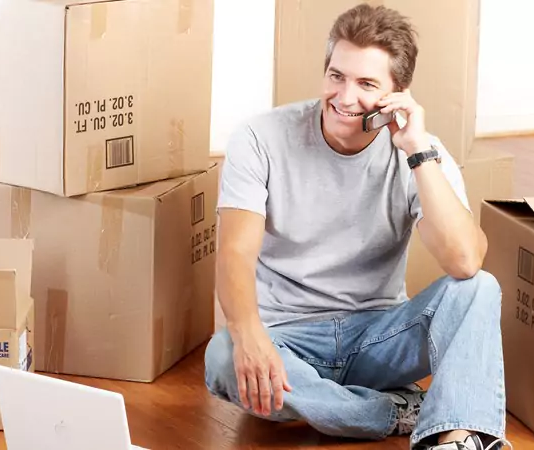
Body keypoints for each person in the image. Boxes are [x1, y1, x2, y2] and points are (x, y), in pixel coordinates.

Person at [204, 4, 511, 450]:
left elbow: (465, 261)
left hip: (378, 336)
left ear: (397, 95)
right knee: (222, 356)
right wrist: (250, 339)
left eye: (367, 84)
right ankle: (397, 412)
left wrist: (417, 152)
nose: (345, 98)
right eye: (337, 76)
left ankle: (454, 440)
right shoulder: (259, 138)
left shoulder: (423, 153)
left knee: (479, 287)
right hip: (286, 338)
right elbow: (234, 252)